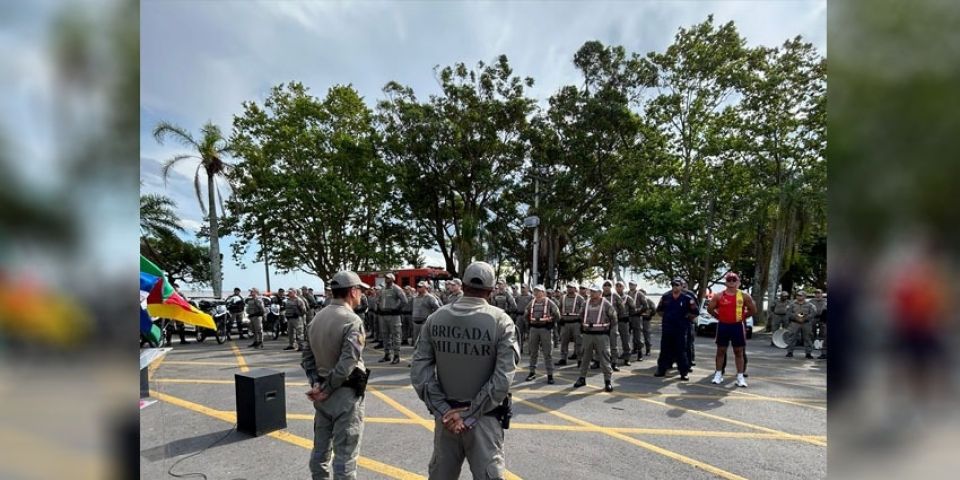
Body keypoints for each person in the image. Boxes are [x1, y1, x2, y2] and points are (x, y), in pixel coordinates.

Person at [410, 261, 519, 480]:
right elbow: (502, 379)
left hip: (446, 419)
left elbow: (420, 372)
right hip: (484, 419)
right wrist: (468, 414)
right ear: (491, 290)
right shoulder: (501, 321)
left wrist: (444, 411)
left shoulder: (435, 318)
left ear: (464, 285)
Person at [301, 270, 370, 480]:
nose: (361, 295)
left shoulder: (317, 318)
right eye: (360, 290)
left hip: (322, 394)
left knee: (320, 449)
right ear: (353, 291)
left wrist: (317, 384)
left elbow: (307, 357)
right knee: (345, 456)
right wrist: (328, 388)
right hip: (344, 395)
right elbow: (347, 362)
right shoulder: (352, 320)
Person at [707, 273, 757, 387]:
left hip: (737, 326)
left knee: (739, 352)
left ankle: (740, 377)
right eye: (729, 280)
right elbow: (710, 309)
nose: (731, 282)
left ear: (738, 282)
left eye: (734, 280)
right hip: (723, 326)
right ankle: (718, 375)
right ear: (726, 282)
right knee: (721, 351)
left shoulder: (744, 296)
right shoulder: (719, 296)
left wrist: (742, 317)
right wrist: (718, 316)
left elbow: (753, 310)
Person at [574, 284, 616, 392]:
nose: (592, 293)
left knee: (604, 357)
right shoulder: (586, 303)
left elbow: (614, 318)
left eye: (594, 291)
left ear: (600, 293)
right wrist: (583, 327)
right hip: (588, 334)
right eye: (591, 291)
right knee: (585, 357)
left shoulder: (606, 303)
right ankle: (582, 378)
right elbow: (580, 315)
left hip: (602, 335)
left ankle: (607, 381)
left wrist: (608, 331)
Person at [654, 278, 697, 380]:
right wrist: (668, 318)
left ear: (682, 286)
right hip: (668, 328)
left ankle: (683, 372)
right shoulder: (666, 297)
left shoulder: (687, 298)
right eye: (673, 285)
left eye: (677, 285)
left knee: (681, 351)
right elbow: (659, 310)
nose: (675, 287)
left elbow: (695, 312)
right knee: (665, 350)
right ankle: (661, 370)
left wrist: (685, 320)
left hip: (681, 329)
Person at [525, 285, 560, 384]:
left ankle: (550, 375)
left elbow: (557, 314)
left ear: (543, 292)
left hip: (545, 329)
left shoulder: (549, 302)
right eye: (535, 291)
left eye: (539, 291)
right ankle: (532, 372)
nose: (536, 293)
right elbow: (526, 314)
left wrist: (551, 323)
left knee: (547, 353)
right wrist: (529, 325)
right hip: (534, 329)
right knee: (533, 352)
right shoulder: (532, 302)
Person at [378, 273, 408, 364]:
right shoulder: (383, 289)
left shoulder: (397, 289)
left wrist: (396, 308)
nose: (386, 279)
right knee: (385, 335)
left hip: (393, 316)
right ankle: (387, 354)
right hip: (384, 315)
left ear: (392, 279)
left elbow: (404, 301)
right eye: (385, 278)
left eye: (388, 278)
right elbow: (379, 299)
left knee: (396, 335)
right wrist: (379, 306)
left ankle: (396, 356)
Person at [557, 282, 586, 366]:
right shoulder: (562, 298)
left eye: (571, 287)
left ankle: (580, 359)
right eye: (568, 287)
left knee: (578, 342)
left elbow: (584, 311)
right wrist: (560, 318)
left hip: (576, 323)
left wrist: (582, 323)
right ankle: (563, 358)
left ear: (575, 288)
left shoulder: (580, 298)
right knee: (564, 341)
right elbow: (558, 309)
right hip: (565, 323)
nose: (569, 288)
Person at [600, 280, 624, 371]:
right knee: (600, 344)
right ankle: (598, 361)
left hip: (613, 323)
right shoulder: (599, 295)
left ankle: (614, 362)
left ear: (611, 287)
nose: (606, 287)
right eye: (605, 285)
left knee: (614, 344)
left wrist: (616, 318)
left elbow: (622, 309)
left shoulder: (616, 296)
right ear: (602, 287)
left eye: (608, 285)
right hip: (601, 324)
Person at [411, 281, 441, 354]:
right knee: (416, 341)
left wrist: (432, 319)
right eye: (418, 286)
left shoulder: (430, 298)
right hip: (415, 323)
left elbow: (438, 309)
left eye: (420, 287)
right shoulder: (415, 297)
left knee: (425, 341)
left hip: (425, 323)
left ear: (426, 288)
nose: (418, 288)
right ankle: (417, 356)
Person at [785, 291, 817, 359]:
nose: (798, 297)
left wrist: (804, 318)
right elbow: (788, 313)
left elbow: (813, 313)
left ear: (804, 296)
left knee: (808, 338)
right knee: (792, 337)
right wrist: (796, 318)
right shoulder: (792, 304)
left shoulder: (810, 305)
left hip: (806, 323)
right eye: (797, 295)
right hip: (795, 323)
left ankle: (808, 353)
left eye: (800, 295)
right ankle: (789, 352)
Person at [614, 281, 633, 367]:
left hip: (624, 321)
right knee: (612, 340)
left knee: (625, 340)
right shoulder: (613, 297)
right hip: (614, 321)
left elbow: (633, 309)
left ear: (623, 287)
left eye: (620, 286)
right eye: (617, 286)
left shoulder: (628, 298)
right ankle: (613, 358)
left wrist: (629, 319)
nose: (618, 287)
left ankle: (627, 358)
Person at [513, 285, 533, 355]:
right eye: (521, 288)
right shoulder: (518, 297)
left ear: (527, 289)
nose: (522, 289)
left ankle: (531, 350)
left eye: (524, 288)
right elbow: (515, 305)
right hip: (519, 316)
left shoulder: (531, 297)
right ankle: (519, 349)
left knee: (529, 334)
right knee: (518, 333)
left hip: (527, 317)